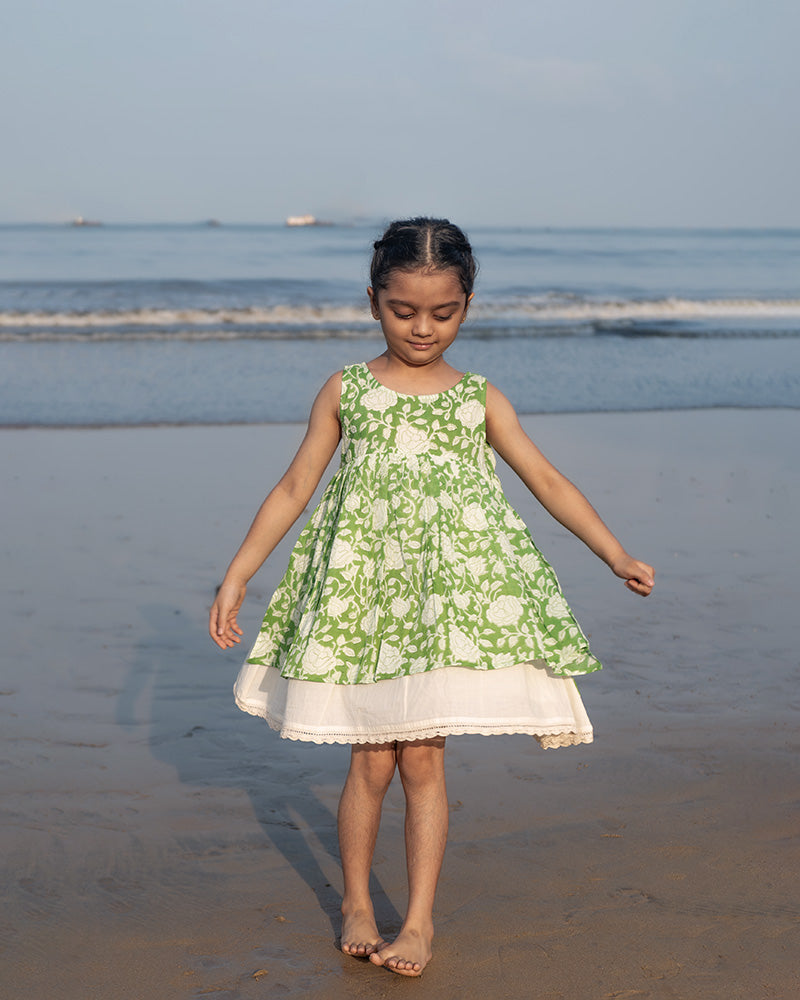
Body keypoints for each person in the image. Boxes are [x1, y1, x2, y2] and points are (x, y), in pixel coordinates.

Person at [209, 217, 654, 977]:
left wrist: (612, 551)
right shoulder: (347, 389)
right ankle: (355, 898)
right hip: (362, 599)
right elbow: (294, 486)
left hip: (440, 607)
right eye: (403, 310)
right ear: (373, 301)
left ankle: (417, 921)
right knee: (369, 761)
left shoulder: (479, 398)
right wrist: (239, 571)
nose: (422, 328)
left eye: (442, 313)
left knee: (423, 758)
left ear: (467, 305)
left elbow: (545, 480)